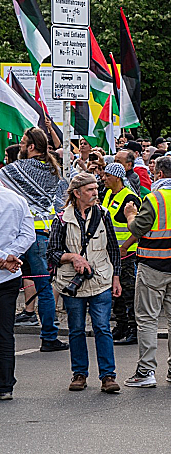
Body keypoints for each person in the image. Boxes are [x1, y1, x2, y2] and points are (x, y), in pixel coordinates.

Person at [122, 156, 171, 387]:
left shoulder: (154, 198)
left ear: (158, 174)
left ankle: (146, 372)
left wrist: (130, 214)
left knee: (147, 318)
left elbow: (138, 227)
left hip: (154, 265)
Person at [47, 173, 122, 393]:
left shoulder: (104, 214)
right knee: (76, 330)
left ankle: (108, 376)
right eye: (90, 190)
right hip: (73, 283)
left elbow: (113, 250)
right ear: (77, 193)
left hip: (100, 281)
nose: (95, 193)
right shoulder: (62, 219)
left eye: (96, 189)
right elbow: (52, 253)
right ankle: (79, 374)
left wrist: (115, 278)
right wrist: (72, 257)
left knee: (102, 327)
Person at [0, 127, 69, 352]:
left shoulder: (13, 170)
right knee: (43, 286)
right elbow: (61, 203)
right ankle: (49, 336)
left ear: (31, 146)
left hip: (17, 234)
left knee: (7, 281)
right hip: (41, 233)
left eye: (22, 142)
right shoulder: (54, 170)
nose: (20, 146)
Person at [0, 184, 36, 401]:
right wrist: (9, 256)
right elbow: (28, 234)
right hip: (10, 275)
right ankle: (5, 384)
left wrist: (4, 258)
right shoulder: (17, 199)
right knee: (5, 331)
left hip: (8, 271)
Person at [100, 163, 141, 346]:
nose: (103, 178)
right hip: (111, 251)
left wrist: (125, 246)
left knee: (128, 291)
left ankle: (134, 328)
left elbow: (139, 227)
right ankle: (121, 324)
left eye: (107, 175)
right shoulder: (109, 194)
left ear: (117, 177)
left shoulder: (130, 197)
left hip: (127, 252)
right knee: (114, 290)